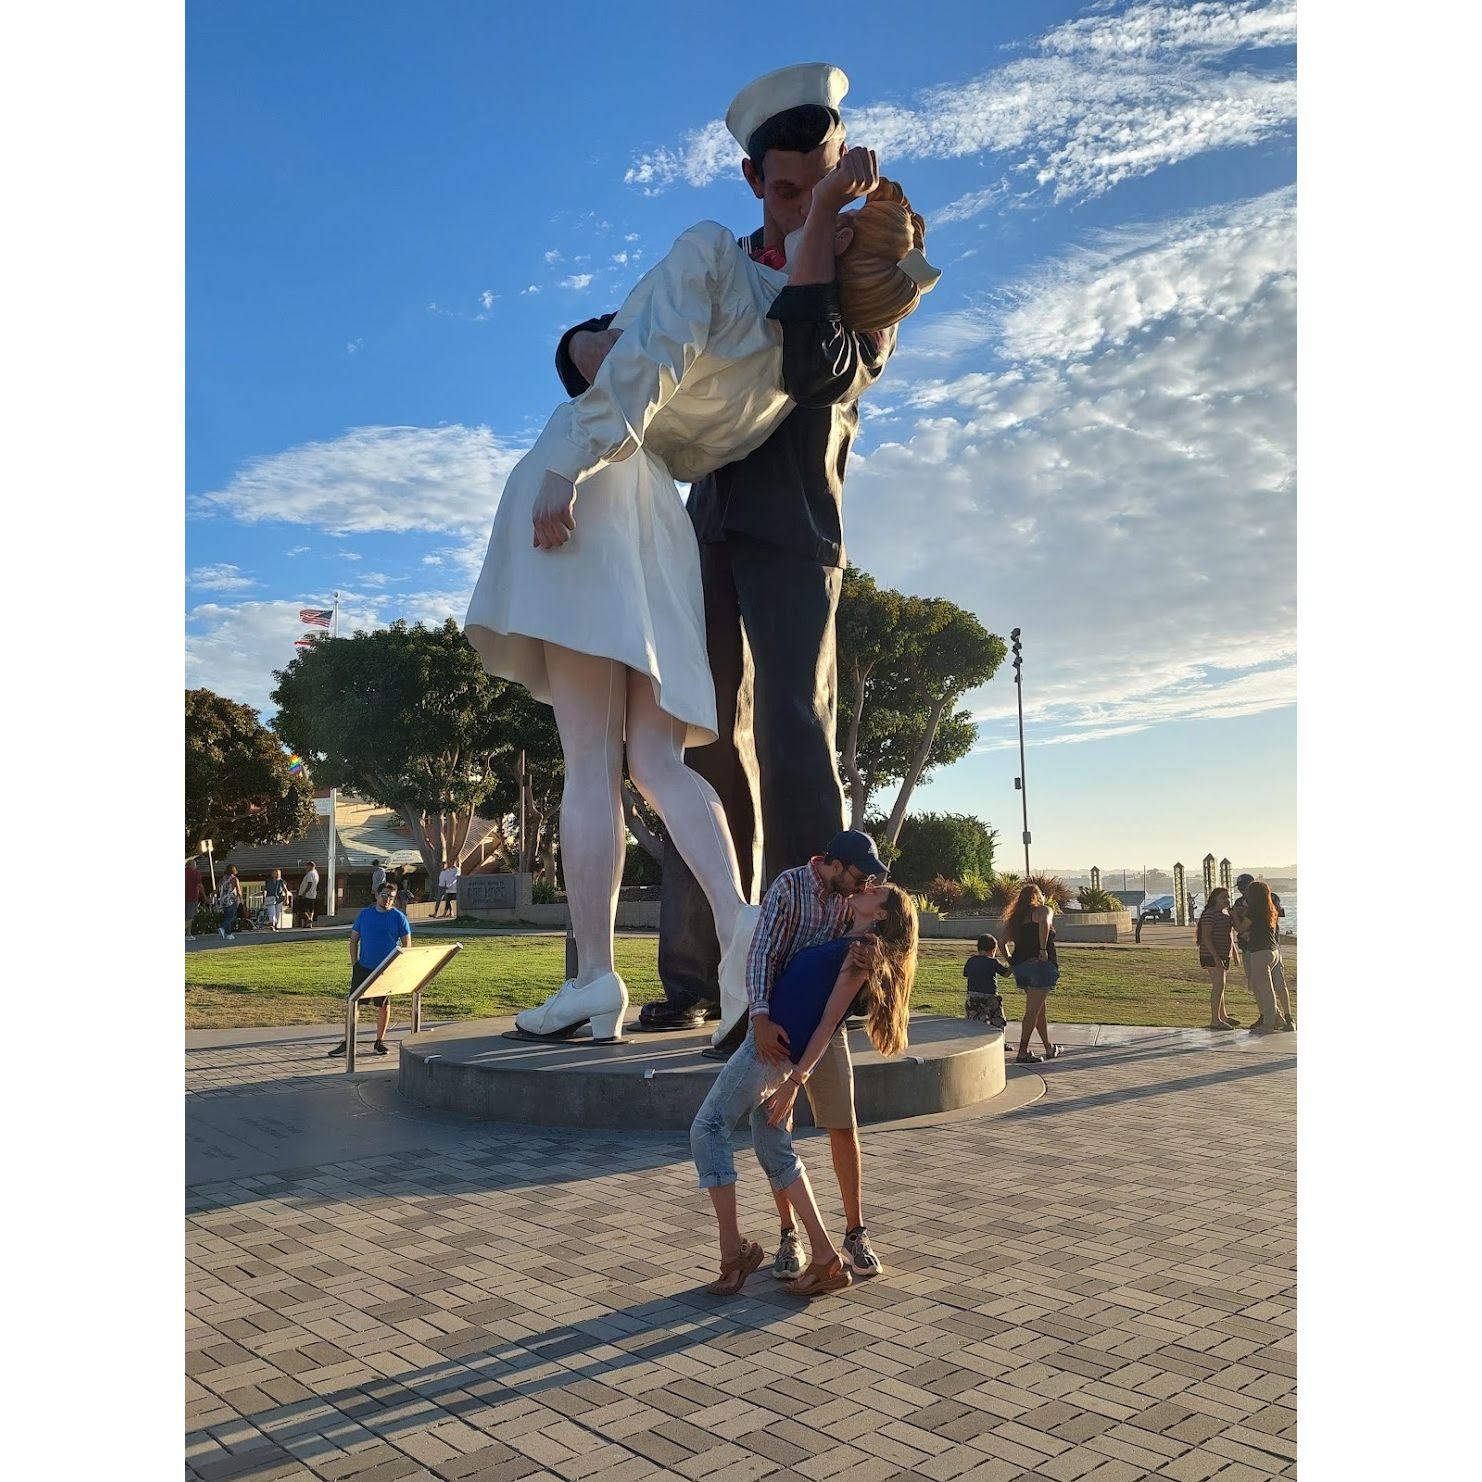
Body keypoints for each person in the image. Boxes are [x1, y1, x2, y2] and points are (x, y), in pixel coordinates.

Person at [466, 70, 935, 1047]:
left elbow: (815, 364)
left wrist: (819, 242)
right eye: (784, 190)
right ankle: (700, 977)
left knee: (797, 736)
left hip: (797, 527)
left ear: (843, 185)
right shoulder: (730, 261)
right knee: (692, 744)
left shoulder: (860, 285)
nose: (801, 206)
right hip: (705, 521)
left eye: (819, 188)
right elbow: (617, 346)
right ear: (753, 179)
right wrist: (593, 347)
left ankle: (813, 972)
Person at [690, 882, 917, 1297]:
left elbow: (828, 1023)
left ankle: (732, 1253)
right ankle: (827, 1259)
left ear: (880, 914)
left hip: (772, 1054)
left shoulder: (861, 952)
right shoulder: (843, 937)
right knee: (775, 1152)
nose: (865, 889)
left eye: (875, 892)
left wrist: (796, 1081)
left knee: (707, 1129)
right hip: (770, 1046)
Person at [722, 830, 888, 1282]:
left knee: (842, 1123)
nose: (863, 886)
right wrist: (758, 1017)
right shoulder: (790, 887)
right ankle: (788, 1234)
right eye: (859, 875)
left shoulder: (852, 900)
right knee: (776, 1126)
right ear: (834, 864)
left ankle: (855, 1231)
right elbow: (761, 953)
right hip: (778, 1023)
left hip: (826, 1029)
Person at [327, 880, 412, 1057]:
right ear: (376, 895)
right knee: (354, 1004)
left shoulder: (399, 917)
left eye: (391, 897)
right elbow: (353, 940)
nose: (387, 900)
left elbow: (407, 946)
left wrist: (398, 968)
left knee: (383, 1006)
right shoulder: (365, 915)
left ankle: (379, 1042)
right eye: (384, 896)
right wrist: (354, 963)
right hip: (363, 967)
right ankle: (348, 1041)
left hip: (386, 970)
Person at [1004, 884, 1061, 1064]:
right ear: (1037, 896)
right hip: (1040, 967)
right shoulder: (1044, 910)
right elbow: (1044, 924)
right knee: (1031, 1012)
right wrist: (1043, 949)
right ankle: (1022, 1052)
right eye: (1041, 893)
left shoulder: (1016, 919)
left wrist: (1011, 961)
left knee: (1038, 1010)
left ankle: (1049, 1048)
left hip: (1022, 968)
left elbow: (1000, 942)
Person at [1234, 873, 1294, 1030]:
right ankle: (1277, 1018)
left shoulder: (1254, 910)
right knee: (1262, 986)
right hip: (1271, 949)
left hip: (1260, 951)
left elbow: (1241, 928)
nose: (1243, 893)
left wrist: (1235, 915)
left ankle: (1269, 1022)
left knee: (1267, 988)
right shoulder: (1268, 908)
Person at [1197, 887, 1241, 1029]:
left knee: (1221, 985)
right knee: (1218, 985)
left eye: (1228, 897)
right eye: (1223, 897)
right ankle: (1215, 1019)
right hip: (1211, 954)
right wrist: (1215, 957)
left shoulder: (1226, 915)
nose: (1227, 900)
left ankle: (1223, 1015)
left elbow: (1229, 934)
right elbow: (1206, 937)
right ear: (1215, 899)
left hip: (1223, 954)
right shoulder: (1210, 914)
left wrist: (1234, 953)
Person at [963, 935, 1011, 1028]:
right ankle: (1000, 1039)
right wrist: (1012, 964)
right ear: (993, 950)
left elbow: (966, 974)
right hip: (990, 996)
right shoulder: (993, 962)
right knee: (997, 1021)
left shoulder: (971, 961)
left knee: (974, 1022)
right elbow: (1006, 974)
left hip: (973, 996)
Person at [216, 866, 243, 940]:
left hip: (223, 899)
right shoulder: (234, 879)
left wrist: (212, 897)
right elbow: (238, 890)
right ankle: (222, 927)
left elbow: (217, 888)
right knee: (232, 916)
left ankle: (228, 934)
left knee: (227, 916)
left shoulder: (222, 878)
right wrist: (241, 900)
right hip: (231, 899)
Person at [297, 862, 319, 928]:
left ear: (310, 866)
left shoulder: (310, 874)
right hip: (313, 894)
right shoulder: (316, 873)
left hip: (307, 894)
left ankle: (309, 919)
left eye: (307, 866)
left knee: (302, 908)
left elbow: (310, 883)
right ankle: (310, 922)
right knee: (311, 908)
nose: (306, 868)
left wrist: (304, 893)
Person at [185, 856, 203, 934]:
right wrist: (205, 896)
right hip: (192, 897)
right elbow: (199, 884)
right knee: (191, 917)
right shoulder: (195, 873)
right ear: (193, 865)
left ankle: (188, 934)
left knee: (186, 916)